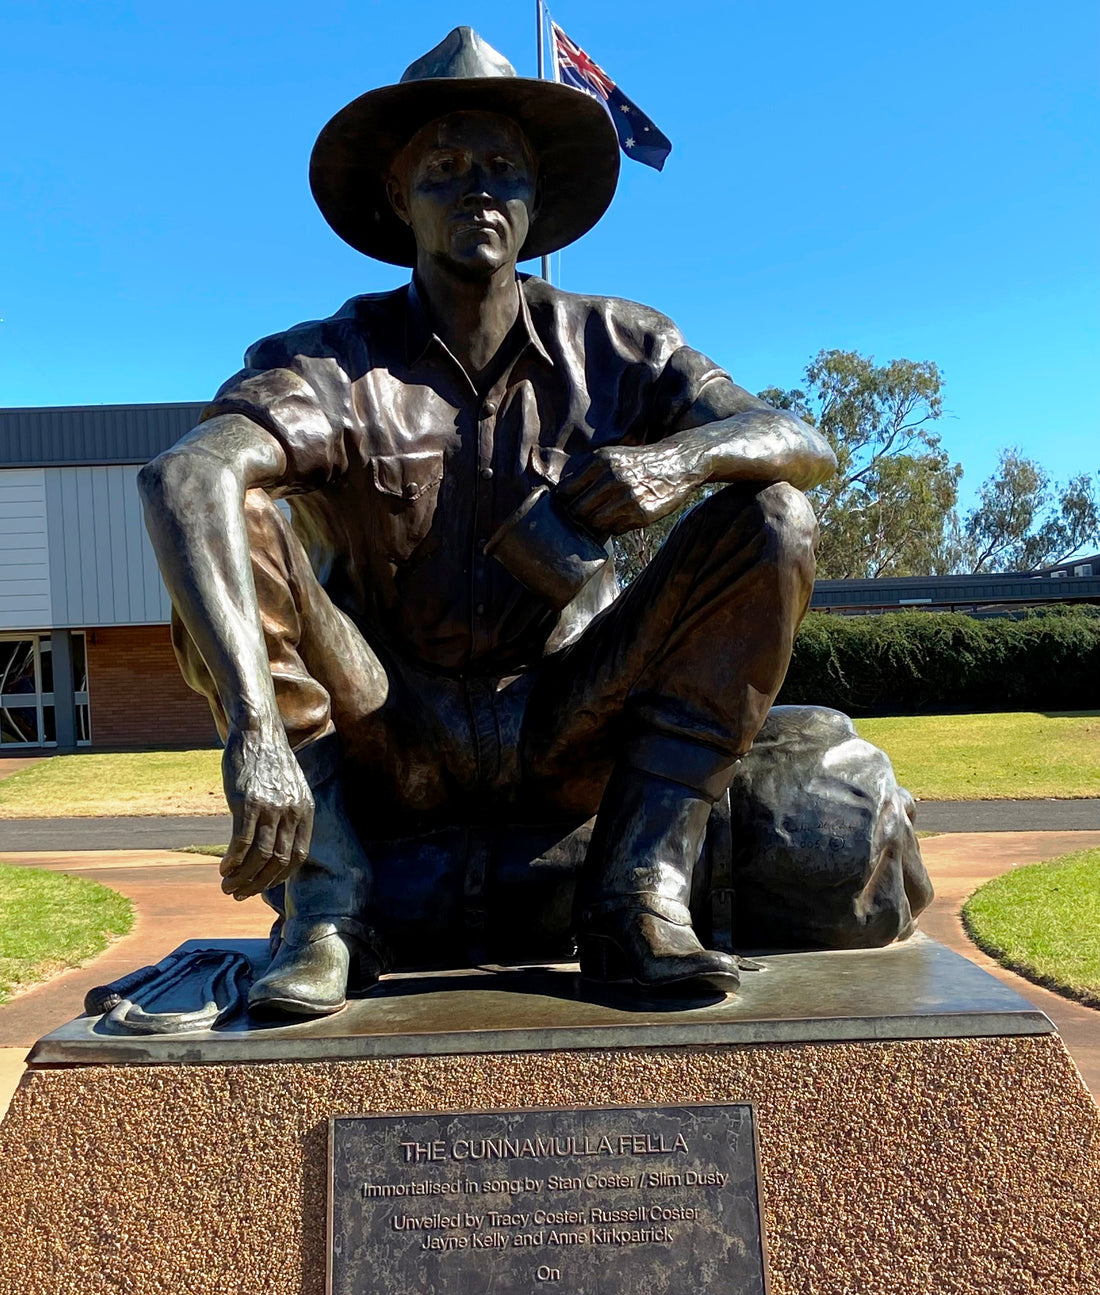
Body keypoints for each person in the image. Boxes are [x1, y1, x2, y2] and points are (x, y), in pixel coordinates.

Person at [139, 27, 835, 1019]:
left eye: (502, 170)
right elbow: (184, 475)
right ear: (396, 198)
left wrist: (679, 459)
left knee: (773, 516)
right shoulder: (332, 361)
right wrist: (252, 729)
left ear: (534, 200)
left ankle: (636, 893)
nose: (477, 191)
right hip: (387, 723)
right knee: (227, 510)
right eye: (444, 169)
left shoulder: (620, 342)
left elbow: (798, 440)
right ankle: (328, 910)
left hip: (562, 715)